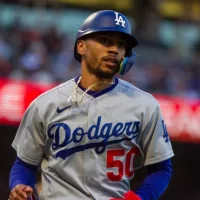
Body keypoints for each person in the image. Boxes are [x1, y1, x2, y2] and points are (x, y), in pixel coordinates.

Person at [9, 10, 174, 200]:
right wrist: (19, 186)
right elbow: (24, 164)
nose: (114, 49)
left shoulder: (145, 105)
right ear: (81, 46)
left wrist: (141, 197)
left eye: (121, 45)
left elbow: (161, 169)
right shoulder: (46, 104)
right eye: (105, 40)